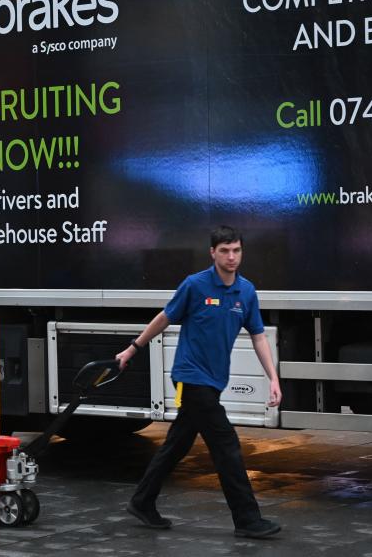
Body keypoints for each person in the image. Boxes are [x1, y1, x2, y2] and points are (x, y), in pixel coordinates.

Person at [116, 225, 282, 539]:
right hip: (191, 378)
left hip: (214, 380)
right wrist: (132, 348)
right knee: (226, 445)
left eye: (236, 251)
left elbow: (258, 337)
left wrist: (273, 378)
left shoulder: (245, 291)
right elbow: (164, 318)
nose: (231, 257)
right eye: (225, 251)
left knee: (177, 444)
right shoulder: (195, 285)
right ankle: (247, 519)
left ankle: (142, 501)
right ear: (213, 253)